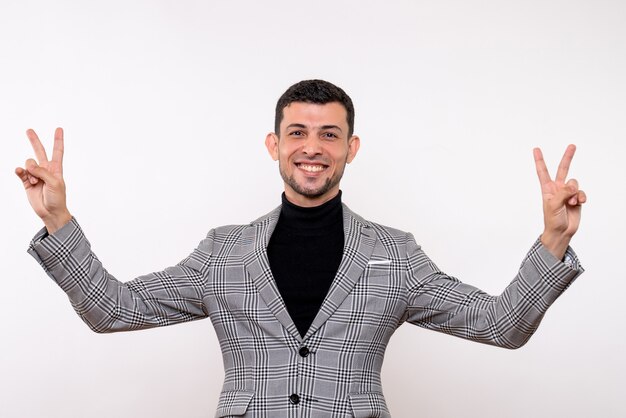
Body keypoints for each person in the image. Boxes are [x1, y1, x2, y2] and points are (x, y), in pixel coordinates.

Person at [16, 80, 586, 418]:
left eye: (329, 135)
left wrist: (553, 238)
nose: (312, 148)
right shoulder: (223, 254)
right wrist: (59, 220)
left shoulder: (396, 256)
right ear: (274, 144)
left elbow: (502, 325)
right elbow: (112, 309)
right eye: (298, 133)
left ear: (350, 148)